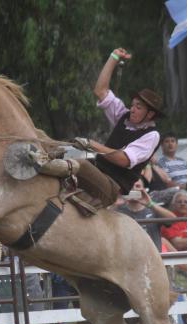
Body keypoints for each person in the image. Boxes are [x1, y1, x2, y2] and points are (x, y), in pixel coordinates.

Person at [35, 47, 164, 208]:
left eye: (138, 107)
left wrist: (92, 145)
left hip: (111, 187)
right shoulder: (124, 116)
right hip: (98, 173)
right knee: (60, 149)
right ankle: (38, 163)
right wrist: (114, 57)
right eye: (133, 105)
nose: (132, 109)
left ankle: (38, 165)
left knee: (80, 164)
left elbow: (124, 160)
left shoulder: (152, 135)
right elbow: (101, 91)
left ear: (150, 114)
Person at [115, 178, 176, 252]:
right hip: (129, 257)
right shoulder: (118, 210)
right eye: (130, 186)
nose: (133, 189)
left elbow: (173, 220)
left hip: (154, 256)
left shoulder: (153, 209)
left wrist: (150, 204)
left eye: (137, 186)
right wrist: (115, 204)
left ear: (143, 189)